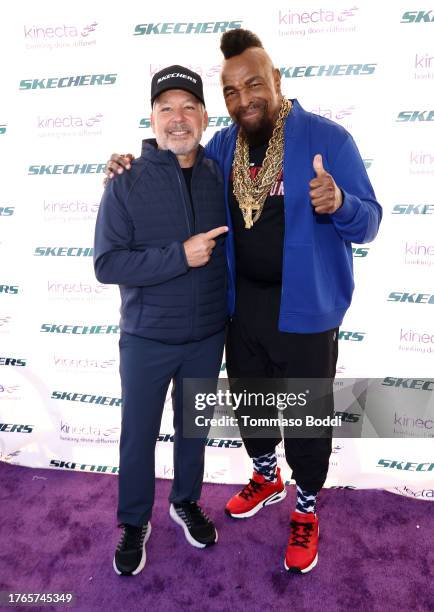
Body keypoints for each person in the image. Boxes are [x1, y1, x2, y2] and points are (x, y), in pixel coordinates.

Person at [105, 29, 382, 574]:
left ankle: (305, 508)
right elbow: (176, 163)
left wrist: (341, 202)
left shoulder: (328, 139)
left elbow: (368, 221)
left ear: (276, 81)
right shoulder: (224, 148)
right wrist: (126, 163)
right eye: (231, 91)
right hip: (242, 306)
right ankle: (265, 476)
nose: (244, 98)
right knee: (253, 406)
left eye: (254, 84)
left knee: (305, 419)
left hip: (307, 311)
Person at [94, 65, 229, 576]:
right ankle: (133, 521)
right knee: (138, 435)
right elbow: (107, 264)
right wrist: (179, 255)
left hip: (206, 334)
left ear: (203, 117)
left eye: (188, 107)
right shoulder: (126, 180)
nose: (178, 118)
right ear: (152, 118)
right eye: (167, 108)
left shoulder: (219, 174)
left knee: (192, 430)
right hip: (147, 337)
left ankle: (185, 501)